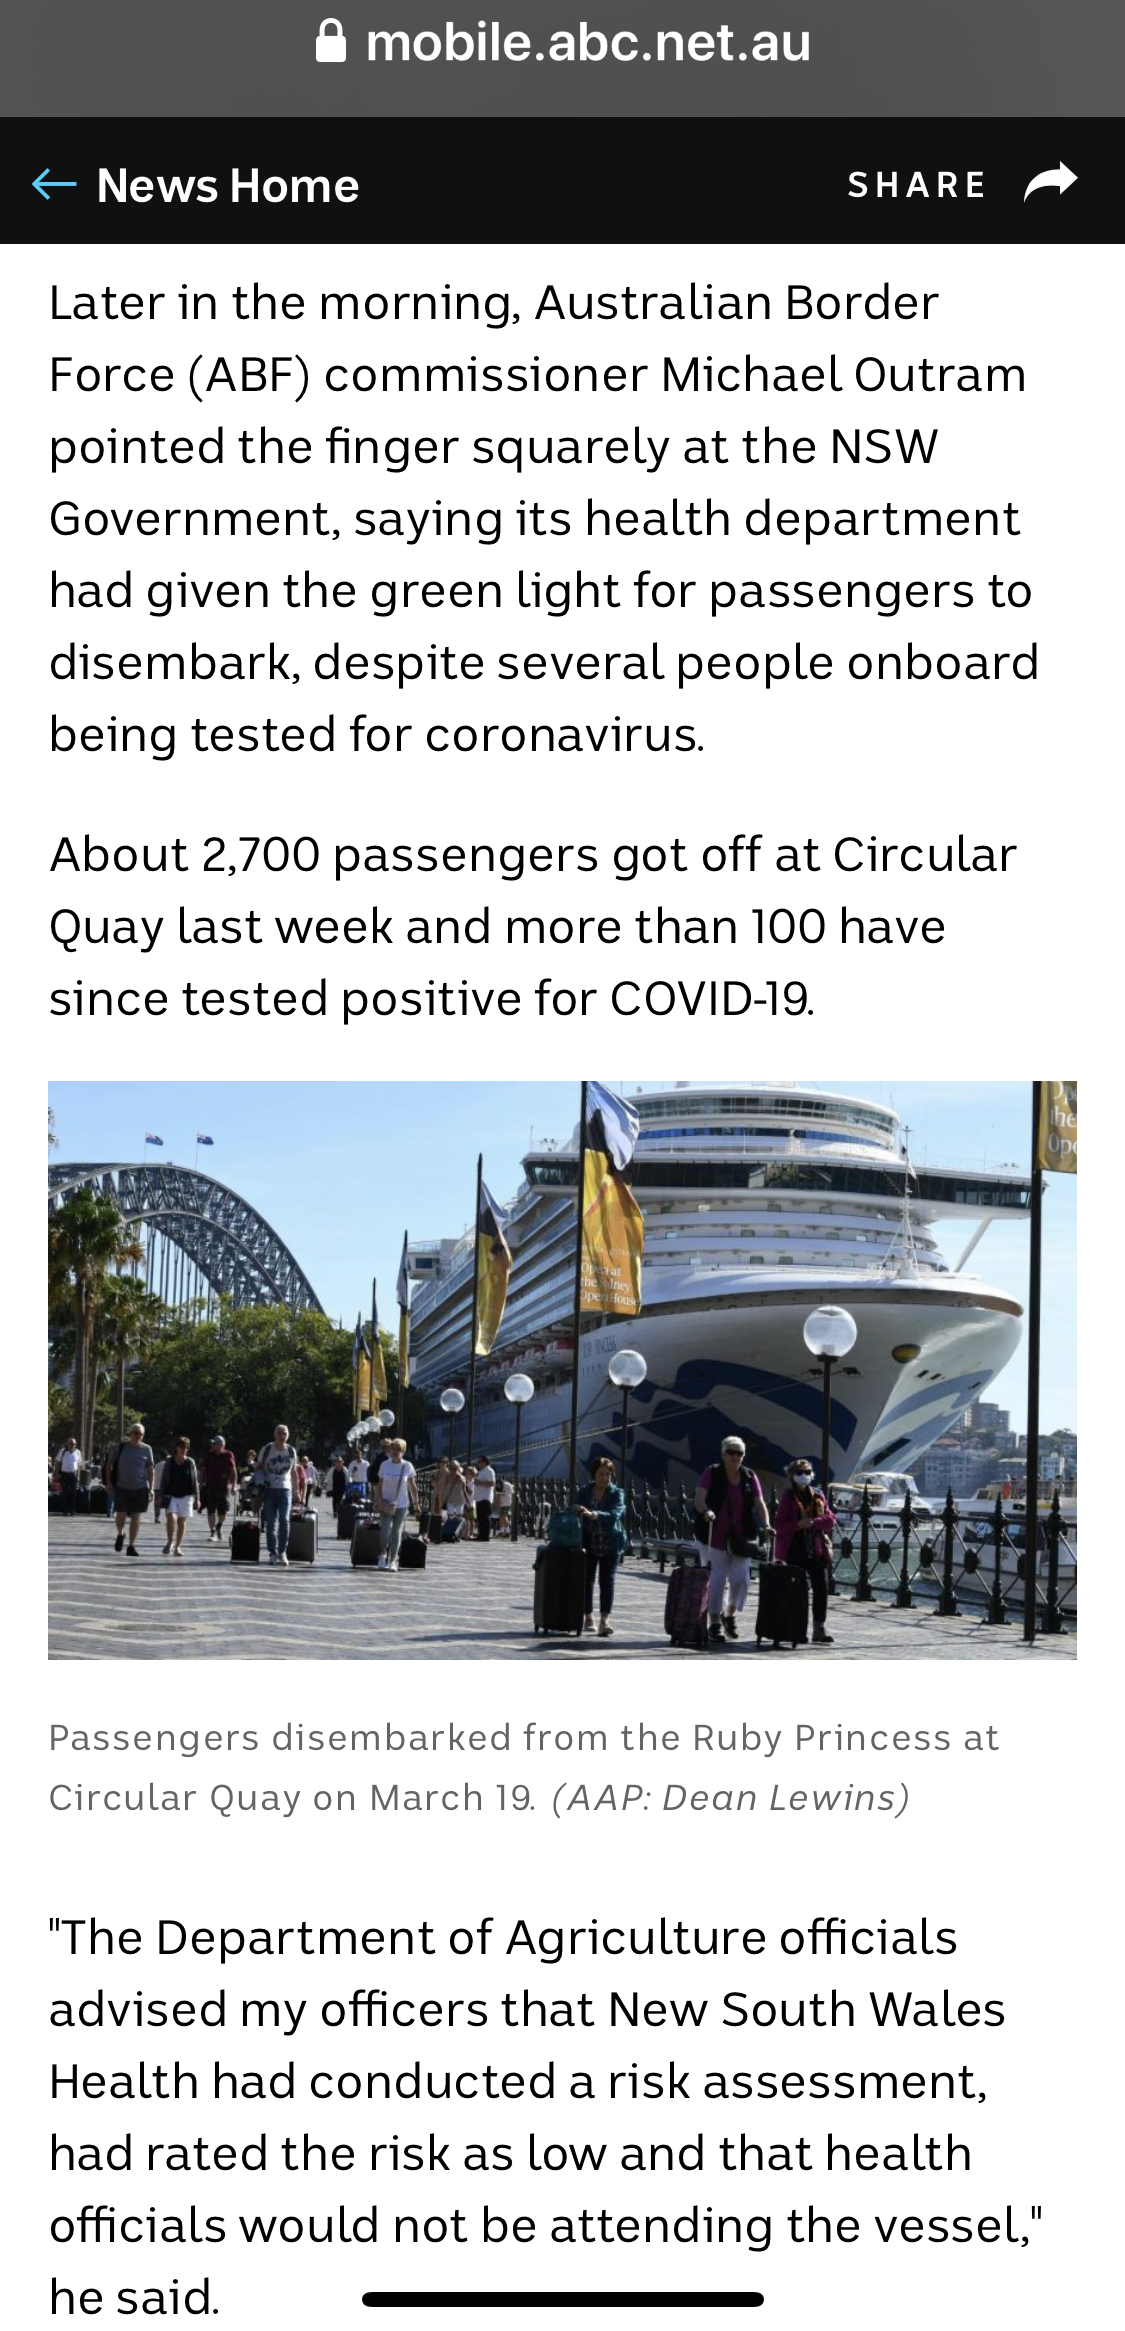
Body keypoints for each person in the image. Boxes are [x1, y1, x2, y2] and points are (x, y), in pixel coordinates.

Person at [694, 1436, 773, 1646]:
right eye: (731, 1452)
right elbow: (699, 1499)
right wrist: (707, 1511)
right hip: (713, 1536)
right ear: (723, 1454)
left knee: (741, 1580)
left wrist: (766, 1525)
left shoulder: (749, 1476)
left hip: (741, 1537)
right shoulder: (711, 1472)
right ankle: (714, 1623)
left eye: (739, 1453)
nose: (735, 1457)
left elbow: (759, 1503)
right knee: (717, 1580)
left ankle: (729, 1614)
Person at [774, 1458, 838, 1645]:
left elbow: (830, 1519)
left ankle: (819, 1628)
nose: (804, 1476)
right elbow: (780, 1526)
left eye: (808, 1472)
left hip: (816, 1549)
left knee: (821, 1588)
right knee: (797, 1591)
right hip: (794, 1548)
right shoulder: (788, 1497)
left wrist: (814, 1522)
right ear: (792, 1476)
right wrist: (797, 1524)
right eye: (800, 1473)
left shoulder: (818, 1494)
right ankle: (795, 1628)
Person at [577, 1456, 628, 1637]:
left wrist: (595, 1514)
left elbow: (616, 1513)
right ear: (594, 1475)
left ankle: (605, 1620)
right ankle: (588, 1616)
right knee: (587, 1581)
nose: (604, 1478)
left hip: (610, 1543)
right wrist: (577, 1508)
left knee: (607, 1581)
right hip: (588, 1542)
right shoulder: (585, 1491)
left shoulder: (616, 1493)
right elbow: (573, 1505)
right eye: (601, 1474)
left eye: (608, 1474)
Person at [110, 1423, 155, 1555]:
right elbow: (109, 1464)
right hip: (121, 1487)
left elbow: (150, 1470)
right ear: (130, 1433)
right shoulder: (120, 1447)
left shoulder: (147, 1449)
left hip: (140, 1488)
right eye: (135, 1433)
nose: (138, 1436)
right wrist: (108, 1483)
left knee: (136, 1517)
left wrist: (151, 1488)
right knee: (120, 1516)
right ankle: (120, 1534)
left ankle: (131, 1545)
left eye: (141, 1434)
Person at [258, 1424, 299, 1566]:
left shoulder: (291, 1451)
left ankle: (282, 1552)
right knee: (270, 1523)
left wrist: (296, 1491)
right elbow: (258, 1467)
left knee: (284, 1520)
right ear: (275, 1435)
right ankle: (272, 1553)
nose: (282, 1436)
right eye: (279, 1433)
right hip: (269, 1489)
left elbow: (294, 1472)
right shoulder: (267, 1449)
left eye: (284, 1433)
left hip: (285, 1490)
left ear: (287, 1436)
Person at [376, 1437, 418, 1569]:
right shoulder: (385, 1465)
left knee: (396, 1531)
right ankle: (382, 1554)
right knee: (385, 1530)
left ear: (403, 1451)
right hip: (386, 1503)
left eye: (399, 1449)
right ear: (390, 1450)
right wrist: (377, 1500)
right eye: (394, 1449)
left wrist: (416, 1504)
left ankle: (393, 1560)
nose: (395, 1452)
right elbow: (379, 1484)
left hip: (401, 1504)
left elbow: (412, 1486)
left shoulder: (407, 1466)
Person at [159, 1437, 201, 1555]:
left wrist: (197, 1498)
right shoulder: (169, 1461)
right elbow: (164, 1479)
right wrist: (160, 1495)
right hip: (171, 1495)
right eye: (182, 1447)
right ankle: (169, 1542)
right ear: (176, 1448)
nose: (184, 1449)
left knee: (182, 1521)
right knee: (171, 1518)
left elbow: (195, 1481)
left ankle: (177, 1547)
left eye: (186, 1447)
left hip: (186, 1496)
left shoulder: (190, 1462)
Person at [203, 1435, 238, 1543]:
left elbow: (233, 1471)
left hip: (223, 1488)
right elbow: (204, 1470)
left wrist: (234, 1485)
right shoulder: (209, 1455)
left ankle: (219, 1525)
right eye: (212, 1443)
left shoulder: (228, 1455)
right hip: (210, 1487)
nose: (212, 1445)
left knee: (223, 1513)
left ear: (221, 1445)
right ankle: (212, 1532)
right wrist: (200, 1484)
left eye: (214, 1443)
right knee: (210, 1511)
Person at [56, 1438, 84, 1515]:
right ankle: (65, 1510)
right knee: (64, 1493)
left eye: (74, 1444)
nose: (72, 1445)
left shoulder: (78, 1452)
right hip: (64, 1474)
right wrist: (57, 1473)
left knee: (73, 1493)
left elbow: (79, 1465)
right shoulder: (63, 1451)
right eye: (71, 1443)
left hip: (73, 1474)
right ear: (67, 1444)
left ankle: (72, 1510)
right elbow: (58, 1463)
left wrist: (78, 1475)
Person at [473, 1457, 496, 1542]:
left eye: (479, 1461)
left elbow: (492, 1483)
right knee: (480, 1518)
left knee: (485, 1518)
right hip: (479, 1497)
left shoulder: (489, 1471)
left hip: (485, 1498)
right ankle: (480, 1535)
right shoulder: (481, 1471)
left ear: (485, 1462)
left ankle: (485, 1536)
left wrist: (479, 1483)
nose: (478, 1463)